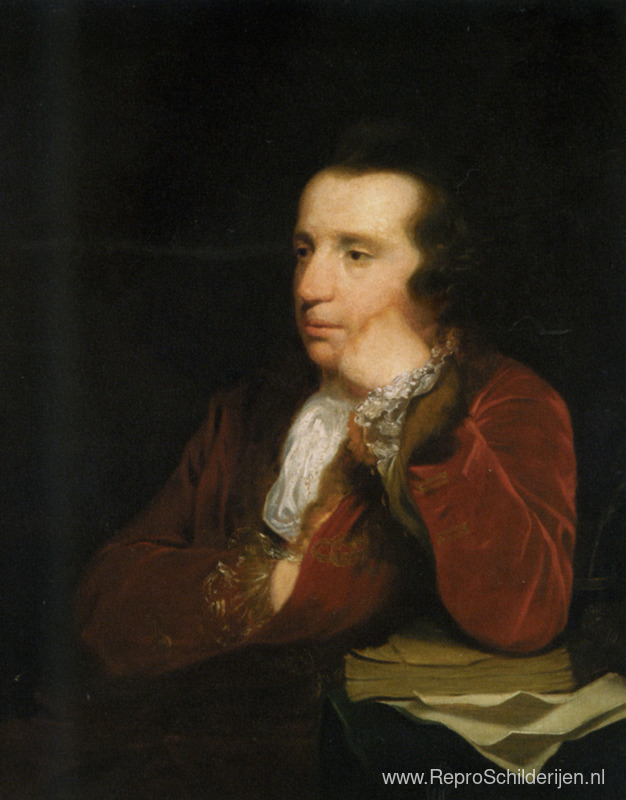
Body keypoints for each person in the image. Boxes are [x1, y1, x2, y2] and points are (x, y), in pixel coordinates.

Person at [77, 126, 576, 681]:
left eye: (356, 255)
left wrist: (416, 410)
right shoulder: (250, 408)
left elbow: (529, 616)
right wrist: (272, 588)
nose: (309, 287)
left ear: (438, 286)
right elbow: (105, 596)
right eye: (304, 251)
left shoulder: (503, 401)